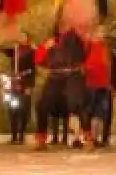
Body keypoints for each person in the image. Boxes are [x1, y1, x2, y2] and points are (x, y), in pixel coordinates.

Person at [35, 10, 91, 150]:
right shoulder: (51, 41)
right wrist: (45, 48)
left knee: (77, 104)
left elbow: (85, 52)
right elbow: (38, 59)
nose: (62, 25)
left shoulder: (76, 38)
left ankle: (88, 139)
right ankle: (41, 140)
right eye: (60, 23)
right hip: (55, 76)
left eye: (65, 22)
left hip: (72, 75)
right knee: (42, 105)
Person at [0, 34, 38, 145]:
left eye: (22, 37)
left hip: (26, 83)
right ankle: (14, 135)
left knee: (24, 109)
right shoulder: (14, 50)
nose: (20, 38)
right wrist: (9, 37)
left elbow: (34, 68)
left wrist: (30, 85)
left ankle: (21, 135)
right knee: (12, 109)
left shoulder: (32, 51)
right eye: (19, 36)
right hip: (13, 84)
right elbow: (0, 47)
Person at [83, 28, 114, 150]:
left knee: (100, 113)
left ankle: (94, 138)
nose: (102, 34)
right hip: (90, 83)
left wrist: (109, 82)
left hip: (103, 85)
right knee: (89, 111)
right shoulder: (88, 45)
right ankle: (88, 139)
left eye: (102, 32)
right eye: (99, 32)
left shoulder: (105, 47)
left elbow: (108, 66)